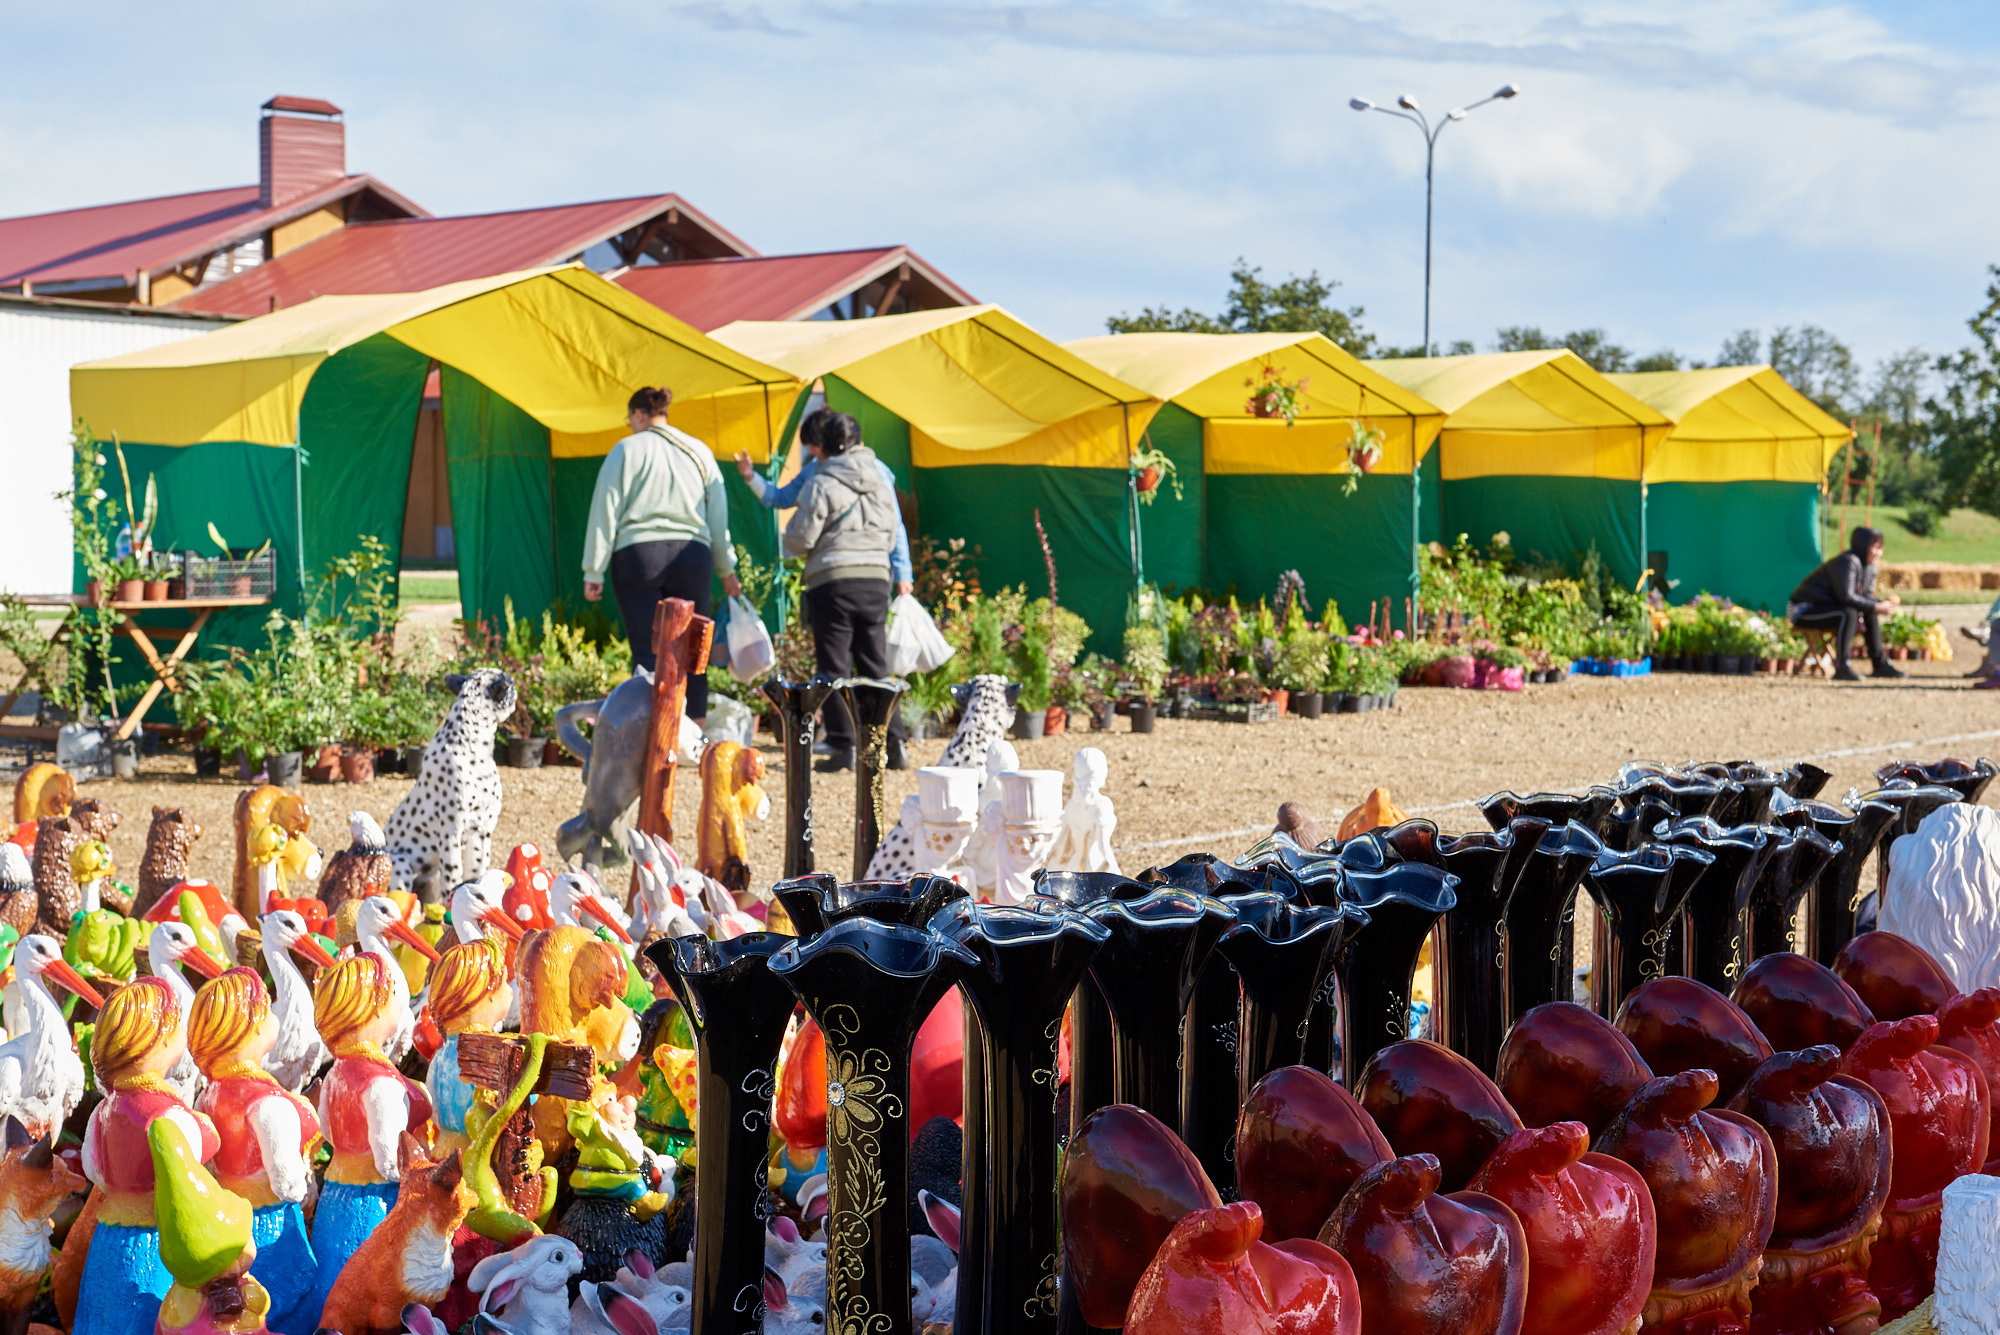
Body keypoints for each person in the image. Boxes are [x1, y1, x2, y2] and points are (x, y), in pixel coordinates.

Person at [582, 386, 743, 725]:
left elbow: (605, 510)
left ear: (639, 415)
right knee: (692, 648)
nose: (630, 426)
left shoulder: (625, 450)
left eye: (630, 420)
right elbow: (719, 519)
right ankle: (694, 733)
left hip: (637, 555)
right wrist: (726, 570)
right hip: (692, 555)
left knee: (646, 648)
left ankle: (652, 732)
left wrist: (593, 571)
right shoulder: (698, 450)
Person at [76, 977, 220, 1335]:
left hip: (108, 1238)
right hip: (156, 1242)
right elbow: (193, 1166)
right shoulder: (166, 1114)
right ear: (157, 1038)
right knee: (147, 1315)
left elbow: (93, 1169)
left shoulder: (103, 1111)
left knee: (104, 1311)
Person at [187, 968, 321, 1335]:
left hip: (231, 1221)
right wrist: (304, 1189)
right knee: (285, 1302)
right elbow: (287, 1181)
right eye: (267, 1009)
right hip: (270, 1222)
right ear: (248, 1027)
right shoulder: (265, 1101)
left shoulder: (210, 1093)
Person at [306, 954, 435, 1323]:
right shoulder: (378, 1082)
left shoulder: (337, 1073)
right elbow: (390, 1160)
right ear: (371, 1008)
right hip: (373, 1202)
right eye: (393, 995)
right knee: (367, 1284)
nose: (399, 1003)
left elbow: (327, 1131)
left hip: (336, 1193)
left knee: (332, 1272)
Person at [780, 411, 905, 772]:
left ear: (827, 445)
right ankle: (893, 744)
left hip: (833, 580)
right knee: (875, 665)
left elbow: (801, 536)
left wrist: (790, 543)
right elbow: (892, 533)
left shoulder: (822, 481)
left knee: (832, 666)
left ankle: (843, 746)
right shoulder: (881, 480)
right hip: (875, 580)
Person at [1789, 525, 1903, 681]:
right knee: (1848, 612)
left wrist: (1881, 605)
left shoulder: (1869, 568)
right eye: (1875, 548)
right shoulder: (1847, 561)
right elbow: (1846, 596)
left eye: (1880, 548)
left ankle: (1880, 664)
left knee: (1868, 611)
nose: (1879, 553)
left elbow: (1867, 598)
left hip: (1829, 608)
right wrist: (1876, 605)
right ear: (1863, 545)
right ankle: (1842, 666)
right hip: (1804, 610)